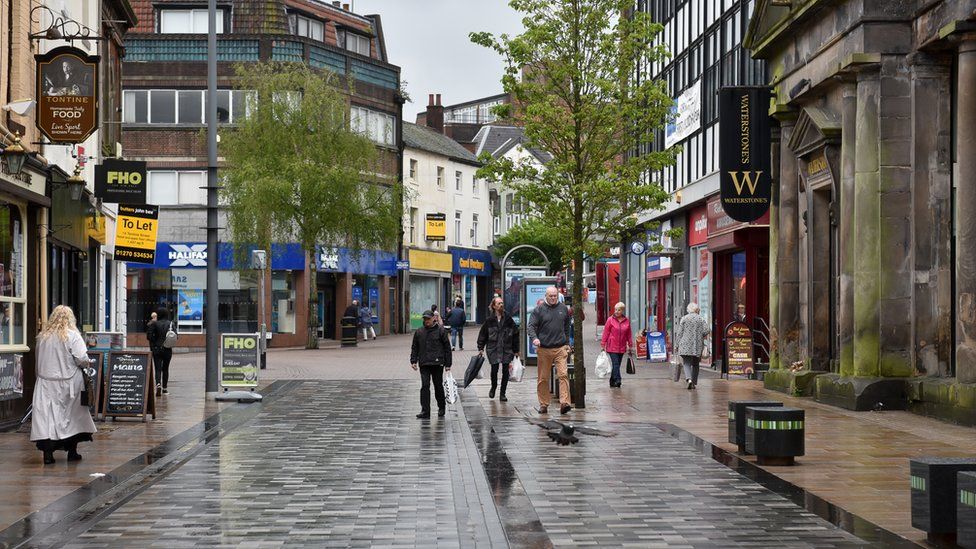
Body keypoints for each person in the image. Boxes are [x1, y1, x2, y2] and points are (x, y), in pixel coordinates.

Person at [30, 305, 96, 465]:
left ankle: (47, 454)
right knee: (72, 417)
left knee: (47, 418)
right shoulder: (72, 336)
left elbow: (38, 360)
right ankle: (72, 452)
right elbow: (81, 358)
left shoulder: (42, 337)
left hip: (46, 382)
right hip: (69, 381)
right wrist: (89, 363)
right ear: (70, 318)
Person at [527, 286, 572, 415]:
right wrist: (535, 338)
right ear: (546, 296)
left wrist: (567, 343)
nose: (553, 298)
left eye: (555, 296)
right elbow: (531, 326)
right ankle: (544, 404)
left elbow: (567, 327)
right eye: (551, 296)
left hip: (560, 348)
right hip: (544, 349)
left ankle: (564, 403)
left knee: (563, 374)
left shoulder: (563, 309)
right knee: (543, 378)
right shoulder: (539, 310)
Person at [410, 310, 452, 418]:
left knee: (438, 386)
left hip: (437, 363)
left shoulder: (441, 331)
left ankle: (441, 407)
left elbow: (447, 348)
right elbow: (415, 347)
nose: (426, 321)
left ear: (433, 318)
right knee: (425, 386)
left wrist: (448, 364)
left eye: (428, 318)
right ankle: (425, 411)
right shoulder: (419, 332)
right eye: (425, 319)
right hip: (424, 363)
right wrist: (413, 361)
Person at [477, 296, 519, 401]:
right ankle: (493, 387)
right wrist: (481, 348)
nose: (501, 305)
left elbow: (515, 333)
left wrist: (516, 350)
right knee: (494, 369)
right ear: (494, 306)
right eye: (499, 303)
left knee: (505, 371)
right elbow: (483, 334)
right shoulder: (489, 320)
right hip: (493, 348)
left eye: (502, 303)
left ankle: (502, 393)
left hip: (506, 348)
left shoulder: (508, 318)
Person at [676, 302, 710, 390]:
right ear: (696, 309)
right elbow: (706, 330)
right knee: (695, 364)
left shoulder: (684, 318)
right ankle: (694, 383)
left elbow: (679, 333)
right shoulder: (700, 319)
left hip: (685, 345)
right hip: (697, 345)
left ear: (688, 310)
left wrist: (676, 345)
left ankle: (689, 379)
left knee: (686, 363)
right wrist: (700, 334)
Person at [601, 302, 633, 388]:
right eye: (615, 309)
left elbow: (629, 334)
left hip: (622, 346)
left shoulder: (626, 321)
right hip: (612, 346)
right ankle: (618, 380)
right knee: (615, 364)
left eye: (619, 310)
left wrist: (630, 344)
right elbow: (606, 332)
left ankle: (612, 380)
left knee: (617, 365)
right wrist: (603, 343)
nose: (616, 311)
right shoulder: (610, 320)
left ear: (622, 310)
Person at [146, 308, 175, 395]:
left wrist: (155, 342)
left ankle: (158, 384)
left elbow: (149, 336)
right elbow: (176, 336)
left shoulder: (154, 324)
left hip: (157, 349)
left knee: (157, 368)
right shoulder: (170, 324)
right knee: (165, 369)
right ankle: (165, 389)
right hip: (167, 349)